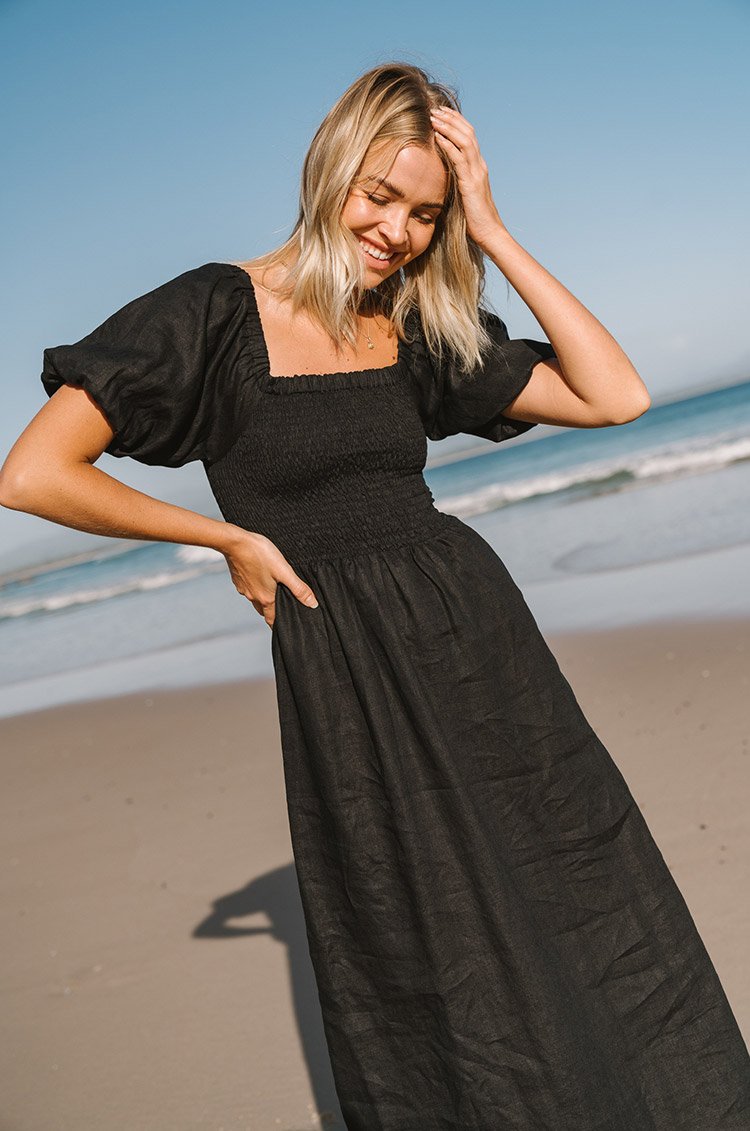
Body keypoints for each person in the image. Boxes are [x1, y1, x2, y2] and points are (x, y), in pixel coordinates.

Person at [1, 61, 748, 1129]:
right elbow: (33, 475)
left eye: (424, 212)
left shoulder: (416, 325)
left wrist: (487, 229)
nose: (397, 230)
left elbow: (616, 395)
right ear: (331, 171)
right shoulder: (213, 312)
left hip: (475, 639)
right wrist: (226, 538)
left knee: (567, 877)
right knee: (417, 924)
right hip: (343, 660)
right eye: (380, 196)